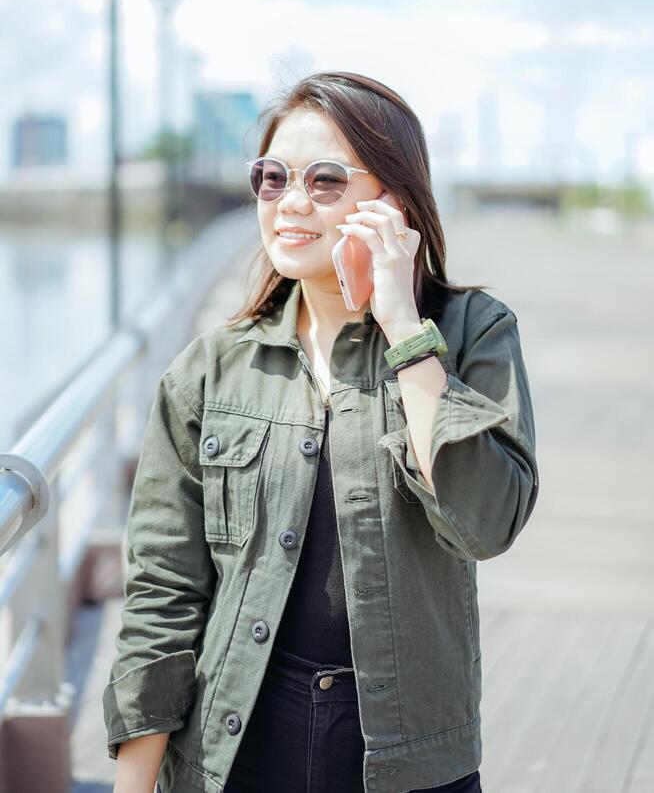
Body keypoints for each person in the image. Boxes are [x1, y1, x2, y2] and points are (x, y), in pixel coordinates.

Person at [103, 71, 539, 793]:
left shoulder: (471, 333)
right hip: (236, 754)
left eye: (326, 180)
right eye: (271, 179)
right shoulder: (210, 370)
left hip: (410, 763)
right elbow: (162, 595)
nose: (292, 203)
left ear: (392, 200)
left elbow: (485, 523)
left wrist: (404, 328)